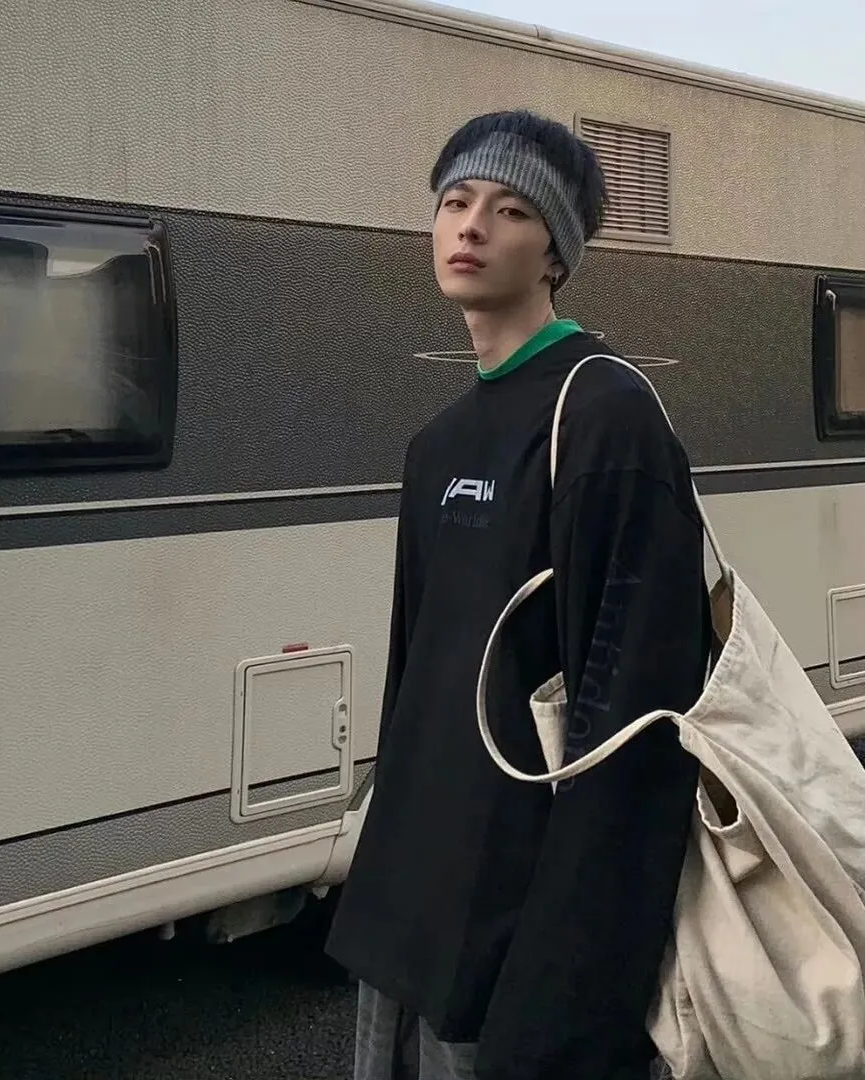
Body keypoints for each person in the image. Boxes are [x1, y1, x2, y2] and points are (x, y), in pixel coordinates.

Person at [324, 109, 712, 1080]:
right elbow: (414, 683)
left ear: (555, 255)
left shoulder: (606, 415)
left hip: (519, 935)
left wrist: (572, 979)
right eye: (455, 202)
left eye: (510, 210)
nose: (471, 226)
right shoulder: (438, 446)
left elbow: (637, 720)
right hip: (410, 913)